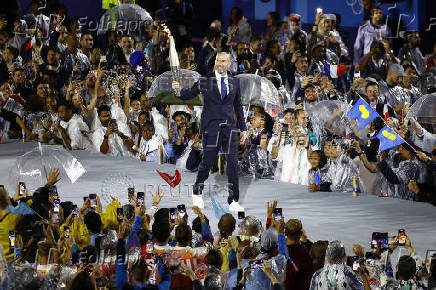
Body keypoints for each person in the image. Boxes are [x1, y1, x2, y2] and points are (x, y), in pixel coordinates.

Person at [172, 51, 248, 211]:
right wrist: (178, 90)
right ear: (215, 62)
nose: (220, 64)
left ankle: (233, 200)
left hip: (230, 129)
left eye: (224, 61)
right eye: (218, 61)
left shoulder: (234, 81)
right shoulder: (205, 80)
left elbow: (238, 107)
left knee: (233, 165)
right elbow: (188, 94)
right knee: (207, 163)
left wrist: (244, 129)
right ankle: (197, 192)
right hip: (211, 129)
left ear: (229, 63)